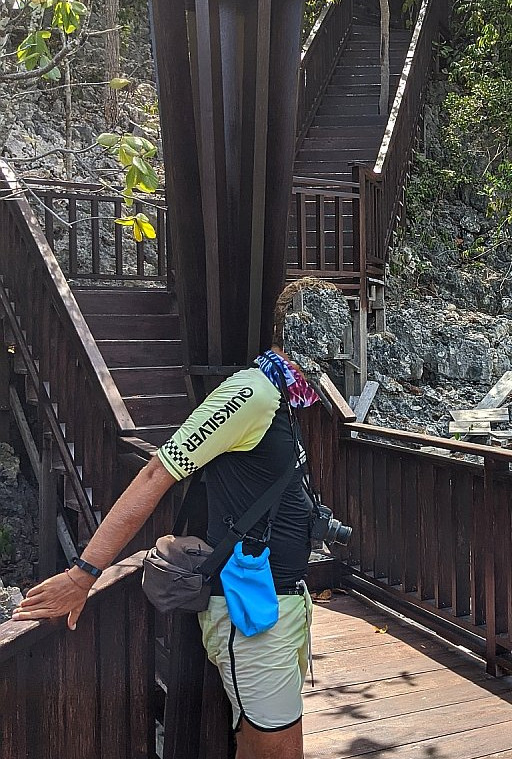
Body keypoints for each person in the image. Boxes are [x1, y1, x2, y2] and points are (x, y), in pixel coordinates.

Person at [12, 278, 346, 759]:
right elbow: (155, 474)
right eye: (333, 333)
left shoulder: (285, 396)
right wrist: (84, 573)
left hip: (281, 601)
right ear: (305, 330)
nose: (338, 351)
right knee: (279, 751)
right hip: (250, 609)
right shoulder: (251, 393)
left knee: (265, 745)